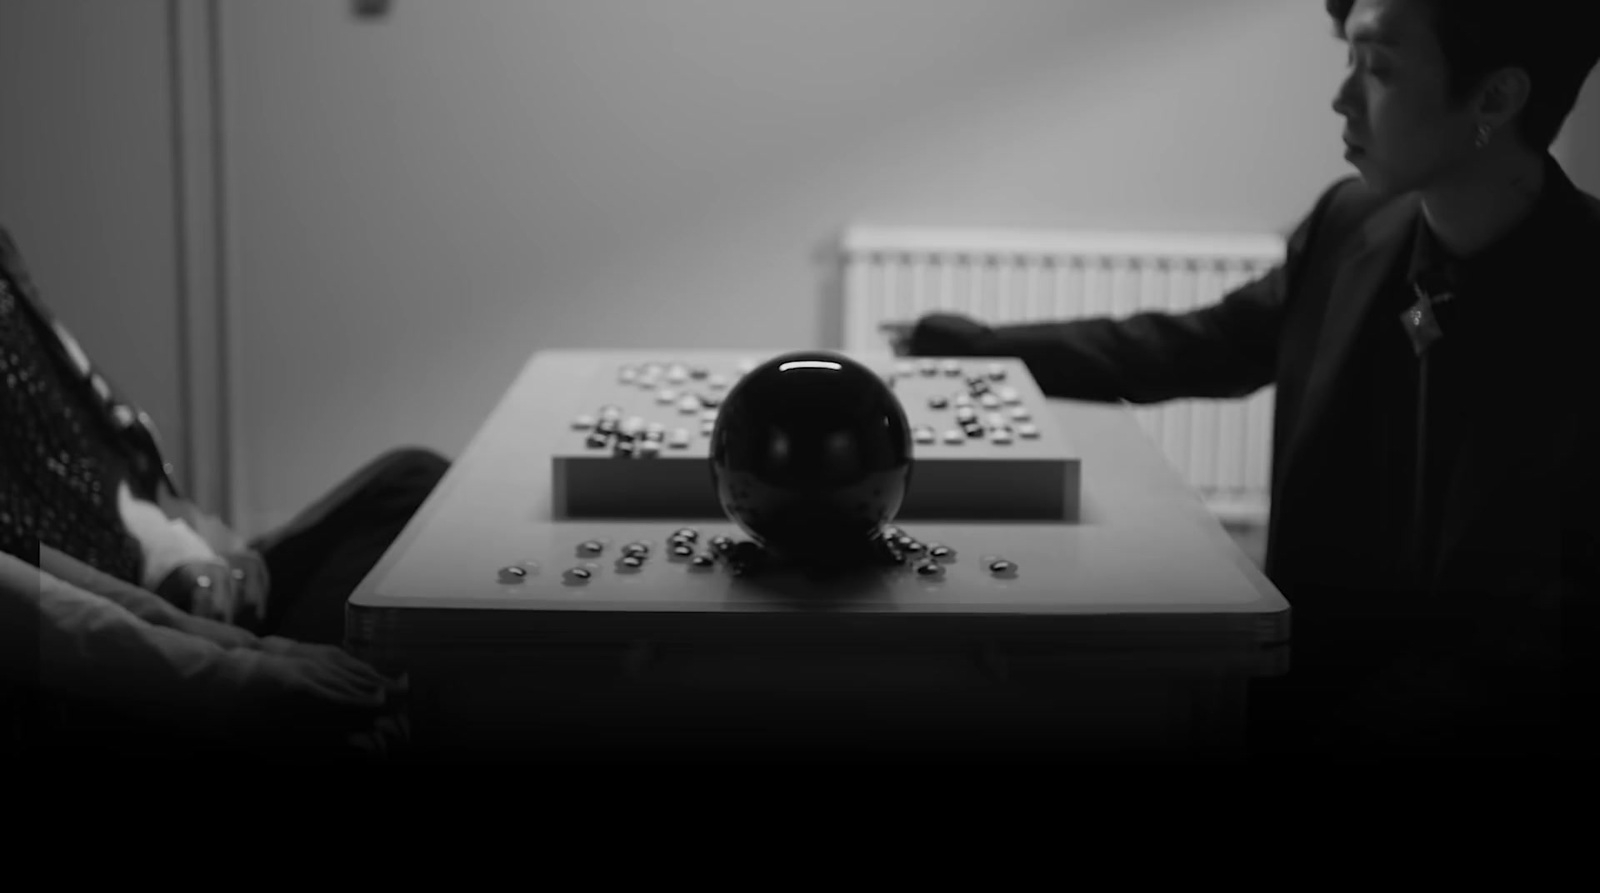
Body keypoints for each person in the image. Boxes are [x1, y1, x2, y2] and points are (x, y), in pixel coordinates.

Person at [898, 0, 1598, 764]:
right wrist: (976, 347)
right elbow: (1203, 344)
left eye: (1381, 68)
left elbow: (1532, 635)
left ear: (1495, 97)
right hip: (1299, 686)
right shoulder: (1353, 224)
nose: (1341, 97)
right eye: (1349, 59)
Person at [0, 220, 451, 763]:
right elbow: (45, 613)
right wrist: (242, 672)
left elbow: (103, 440)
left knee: (412, 486)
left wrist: (201, 547)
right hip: (94, 675)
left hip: (159, 596)